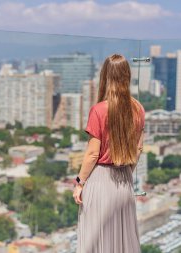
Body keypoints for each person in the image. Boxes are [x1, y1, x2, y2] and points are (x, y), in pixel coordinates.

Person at [74, 54, 145, 253]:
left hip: (100, 181)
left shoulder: (99, 110)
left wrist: (79, 183)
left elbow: (92, 155)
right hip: (125, 181)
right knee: (122, 244)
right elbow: (138, 148)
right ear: (127, 76)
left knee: (95, 244)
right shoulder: (138, 108)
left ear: (105, 76)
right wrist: (127, 171)